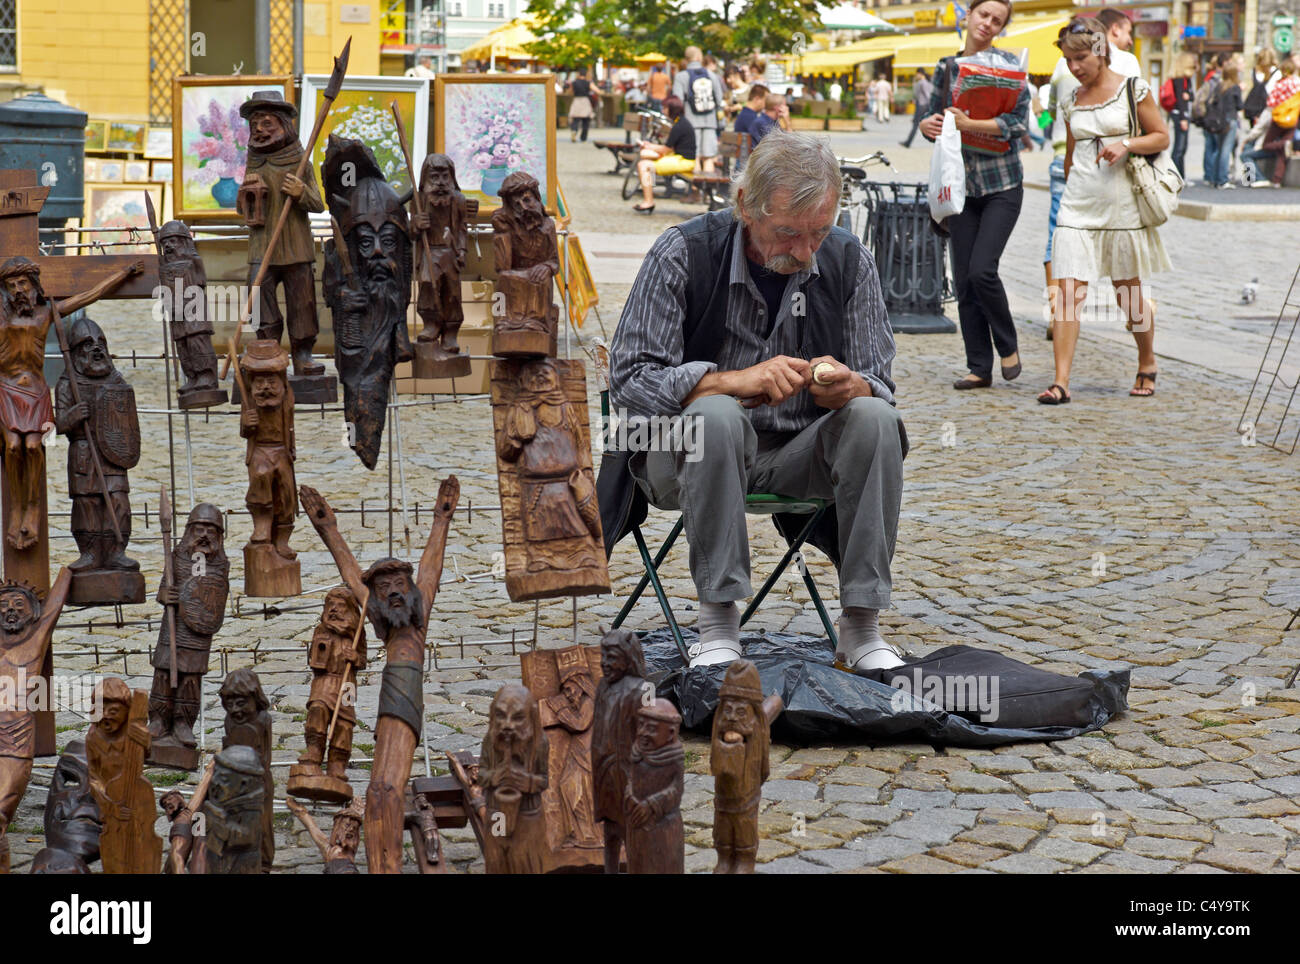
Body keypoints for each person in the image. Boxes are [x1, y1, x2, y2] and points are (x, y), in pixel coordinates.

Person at [606, 131, 908, 673]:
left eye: (819, 232)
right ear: (746, 204)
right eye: (788, 232)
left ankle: (861, 628)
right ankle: (718, 623)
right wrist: (731, 382)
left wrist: (852, 385)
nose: (804, 251)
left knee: (874, 418)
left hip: (800, 454)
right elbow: (630, 382)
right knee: (716, 414)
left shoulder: (847, 260)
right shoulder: (684, 251)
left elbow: (881, 382)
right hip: (684, 457)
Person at [1039, 17, 1170, 405]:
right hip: (1078, 206)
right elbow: (1069, 156)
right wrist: (1069, 193)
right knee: (1066, 294)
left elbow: (1160, 136)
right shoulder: (1071, 100)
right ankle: (1061, 381)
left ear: (1099, 51)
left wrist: (1127, 143)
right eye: (1068, 59)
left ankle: (1147, 359)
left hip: (1122, 208)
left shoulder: (1134, 89)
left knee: (1128, 296)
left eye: (1080, 57)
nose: (1074, 67)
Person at [918, 0, 1029, 390]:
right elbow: (933, 118)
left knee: (984, 269)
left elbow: (1018, 124)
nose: (988, 23)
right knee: (965, 280)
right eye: (983, 14)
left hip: (1002, 184)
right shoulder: (946, 67)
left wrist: (972, 123)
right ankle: (979, 367)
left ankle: (1007, 344)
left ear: (1001, 28)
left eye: (997, 20)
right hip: (959, 187)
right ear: (968, 16)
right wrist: (926, 125)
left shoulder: (1011, 67)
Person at [630, 96, 696, 215]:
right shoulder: (680, 122)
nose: (663, 110)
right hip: (680, 158)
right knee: (646, 159)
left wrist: (648, 146)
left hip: (684, 161)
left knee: (643, 165)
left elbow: (666, 149)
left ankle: (648, 200)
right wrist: (650, 146)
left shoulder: (679, 125)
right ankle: (650, 190)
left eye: (665, 108)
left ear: (672, 109)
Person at [674, 46, 727, 173]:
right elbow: (719, 99)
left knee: (694, 156)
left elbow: (677, 101)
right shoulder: (712, 75)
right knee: (708, 157)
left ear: (687, 59)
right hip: (710, 122)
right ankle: (706, 190)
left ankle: (695, 191)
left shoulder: (681, 76)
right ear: (699, 57)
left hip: (690, 123)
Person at [1204, 62, 1243, 188]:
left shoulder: (1219, 86)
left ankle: (1214, 178)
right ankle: (1223, 180)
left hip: (1219, 121)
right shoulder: (1235, 88)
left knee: (1219, 150)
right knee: (1226, 150)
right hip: (1230, 120)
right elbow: (1240, 106)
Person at [1167, 53, 1196, 179]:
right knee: (1179, 147)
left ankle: (1181, 176)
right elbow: (1180, 100)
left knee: (1182, 147)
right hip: (1180, 115)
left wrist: (1188, 96)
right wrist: (1184, 119)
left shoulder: (1186, 79)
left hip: (1182, 114)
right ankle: (1174, 175)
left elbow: (1191, 96)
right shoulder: (1179, 80)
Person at [1096, 8, 1140, 78]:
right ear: (1115, 29)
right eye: (1128, 32)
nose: (1130, 42)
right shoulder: (1128, 60)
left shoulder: (1086, 57)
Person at [900, 69, 933, 147]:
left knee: (915, 124)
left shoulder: (922, 82)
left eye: (916, 74)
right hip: (924, 105)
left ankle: (908, 142)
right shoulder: (928, 82)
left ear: (920, 74)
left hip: (921, 105)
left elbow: (925, 95)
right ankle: (908, 142)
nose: (916, 76)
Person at [566, 68, 597, 143]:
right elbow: (597, 90)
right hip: (585, 101)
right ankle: (583, 138)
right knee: (586, 120)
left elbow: (569, 92)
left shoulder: (574, 82)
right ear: (585, 75)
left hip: (577, 101)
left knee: (575, 119)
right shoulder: (588, 82)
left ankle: (574, 131)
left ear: (579, 74)